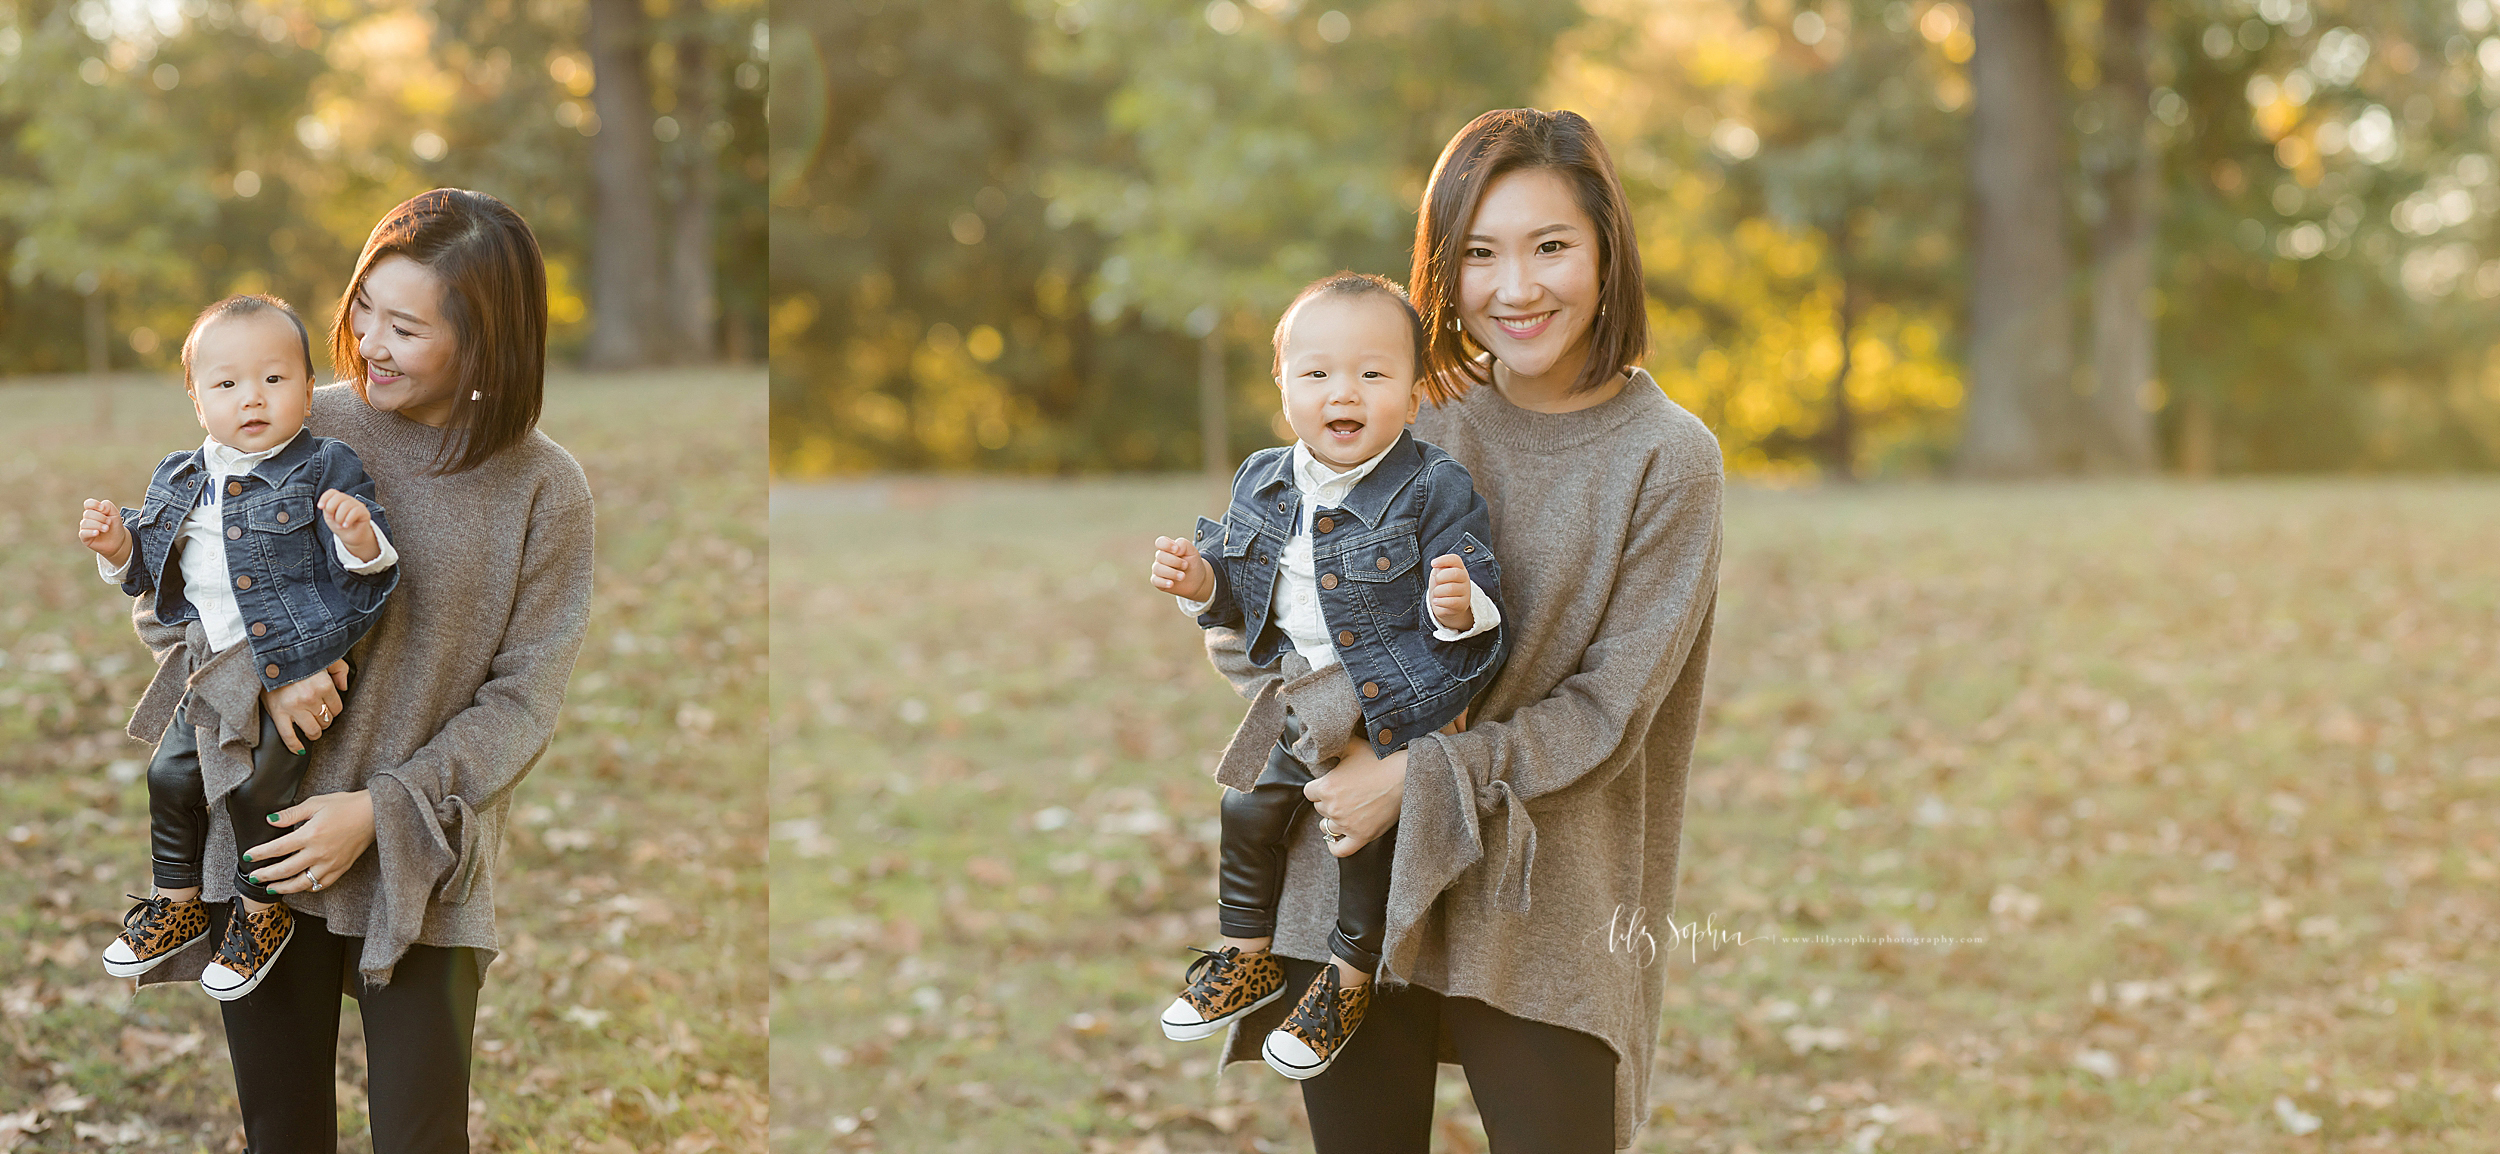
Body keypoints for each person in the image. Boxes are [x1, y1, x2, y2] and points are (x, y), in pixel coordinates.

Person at [1207, 109, 1723, 1153]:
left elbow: (1608, 712)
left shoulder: (1668, 458)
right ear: (1444, 267)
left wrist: (1415, 775)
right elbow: (1294, 625)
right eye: (1479, 253)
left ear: (1607, 250)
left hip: (1550, 897)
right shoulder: (1406, 412)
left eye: (1550, 246)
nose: (1516, 287)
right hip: (1360, 875)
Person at [125, 188, 596, 1154]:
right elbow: (171, 599)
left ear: (486, 342)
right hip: (264, 849)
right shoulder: (284, 424)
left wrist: (381, 810)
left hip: (422, 856)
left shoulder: (546, 489)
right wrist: (260, 673)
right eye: (365, 307)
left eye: (408, 326)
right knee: (283, 1134)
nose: (370, 341)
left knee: (422, 1138)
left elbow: (524, 697)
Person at [1147, 272, 1507, 1079]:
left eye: (1373, 374)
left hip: (1392, 697)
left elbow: (1481, 605)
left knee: (1359, 839)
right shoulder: (1264, 479)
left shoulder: (1431, 487)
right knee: (1247, 808)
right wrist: (1202, 586)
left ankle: (1349, 981)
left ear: (1413, 396)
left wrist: (1459, 605)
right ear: (1282, 385)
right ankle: (1246, 956)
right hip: (1304, 698)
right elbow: (1242, 594)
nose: (1344, 392)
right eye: (1317, 374)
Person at [81, 294, 400, 1001]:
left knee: (261, 792)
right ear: (198, 400)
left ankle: (261, 915)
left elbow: (374, 574)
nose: (251, 399)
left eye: (274, 380)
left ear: (309, 390)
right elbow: (151, 569)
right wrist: (116, 546)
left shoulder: (323, 467)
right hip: (211, 673)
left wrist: (358, 537)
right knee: (169, 779)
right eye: (226, 385)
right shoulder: (180, 476)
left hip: (292, 663)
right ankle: (178, 901)